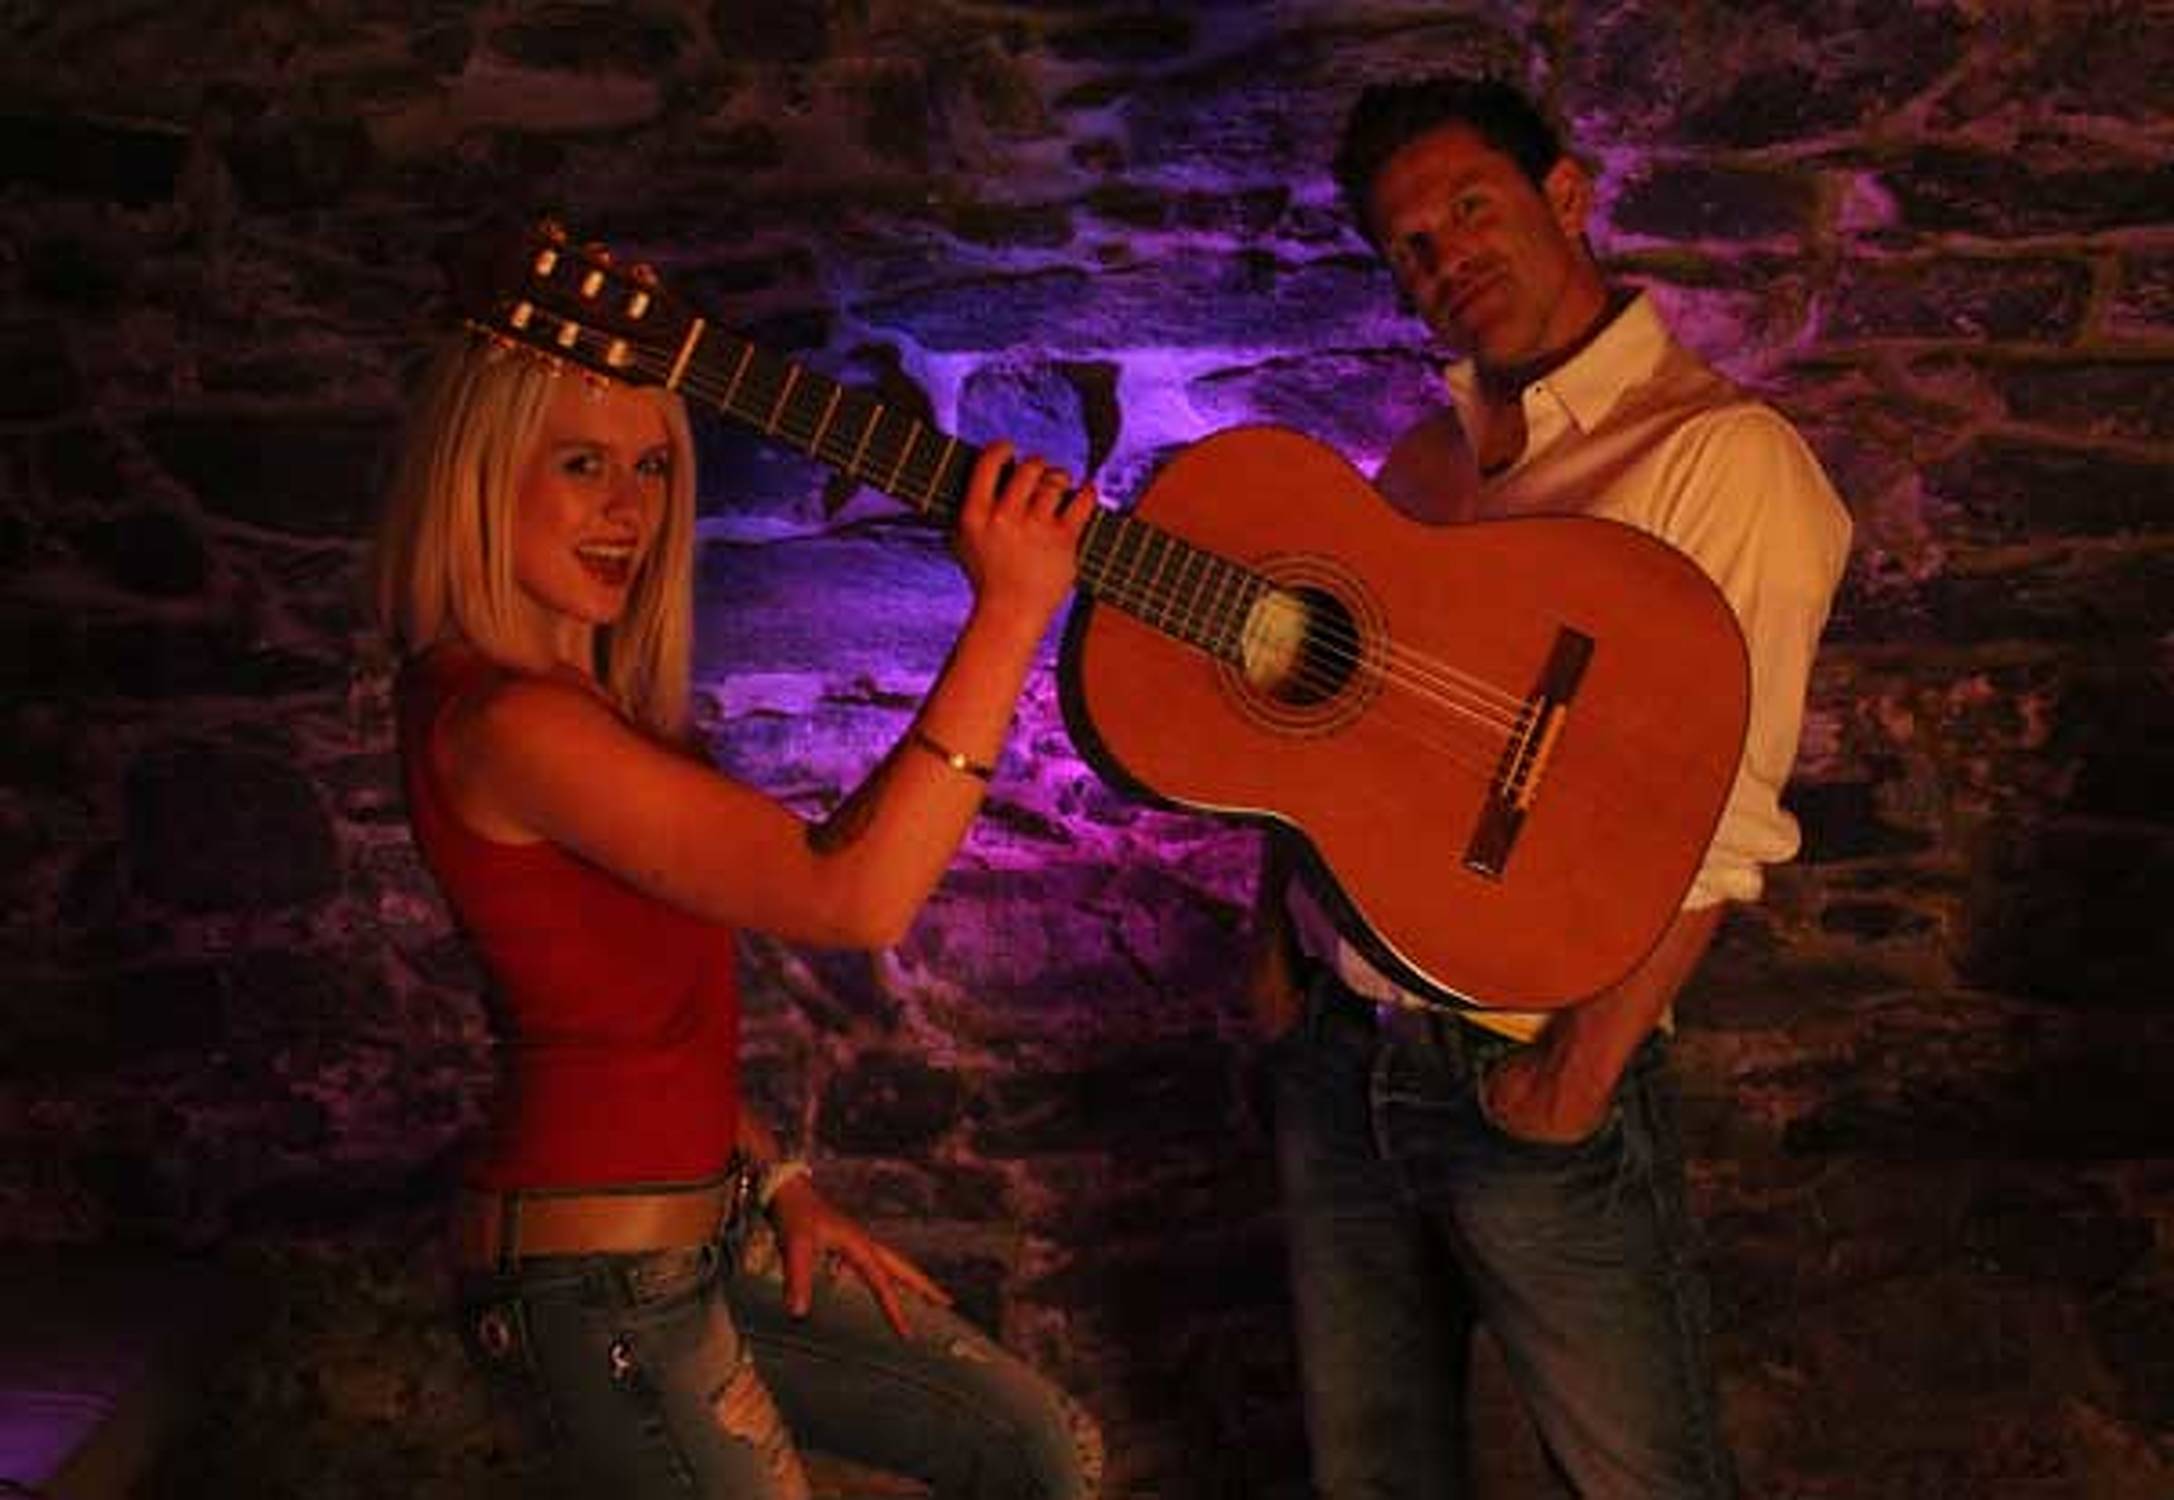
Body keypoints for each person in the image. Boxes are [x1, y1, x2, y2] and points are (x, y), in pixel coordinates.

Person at [1245, 75, 1852, 1497]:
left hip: (1519, 1066)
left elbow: (1721, 816)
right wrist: (1270, 942)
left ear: (1565, 196)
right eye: (1409, 244)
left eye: (1471, 207)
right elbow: (1319, 726)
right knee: (1371, 1479)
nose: (1446, 255)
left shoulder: (1717, 460)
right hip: (1340, 1050)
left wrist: (1576, 1076)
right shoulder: (1423, 466)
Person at [373, 327, 1104, 1498]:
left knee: (1036, 1447)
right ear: (480, 474)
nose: (628, 510)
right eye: (580, 464)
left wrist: (775, 1180)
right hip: (594, 1281)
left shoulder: (586, 709)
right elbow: (854, 896)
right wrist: (1010, 614)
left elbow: (637, 1010)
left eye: (652, 466)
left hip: (699, 1230)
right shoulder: (512, 724)